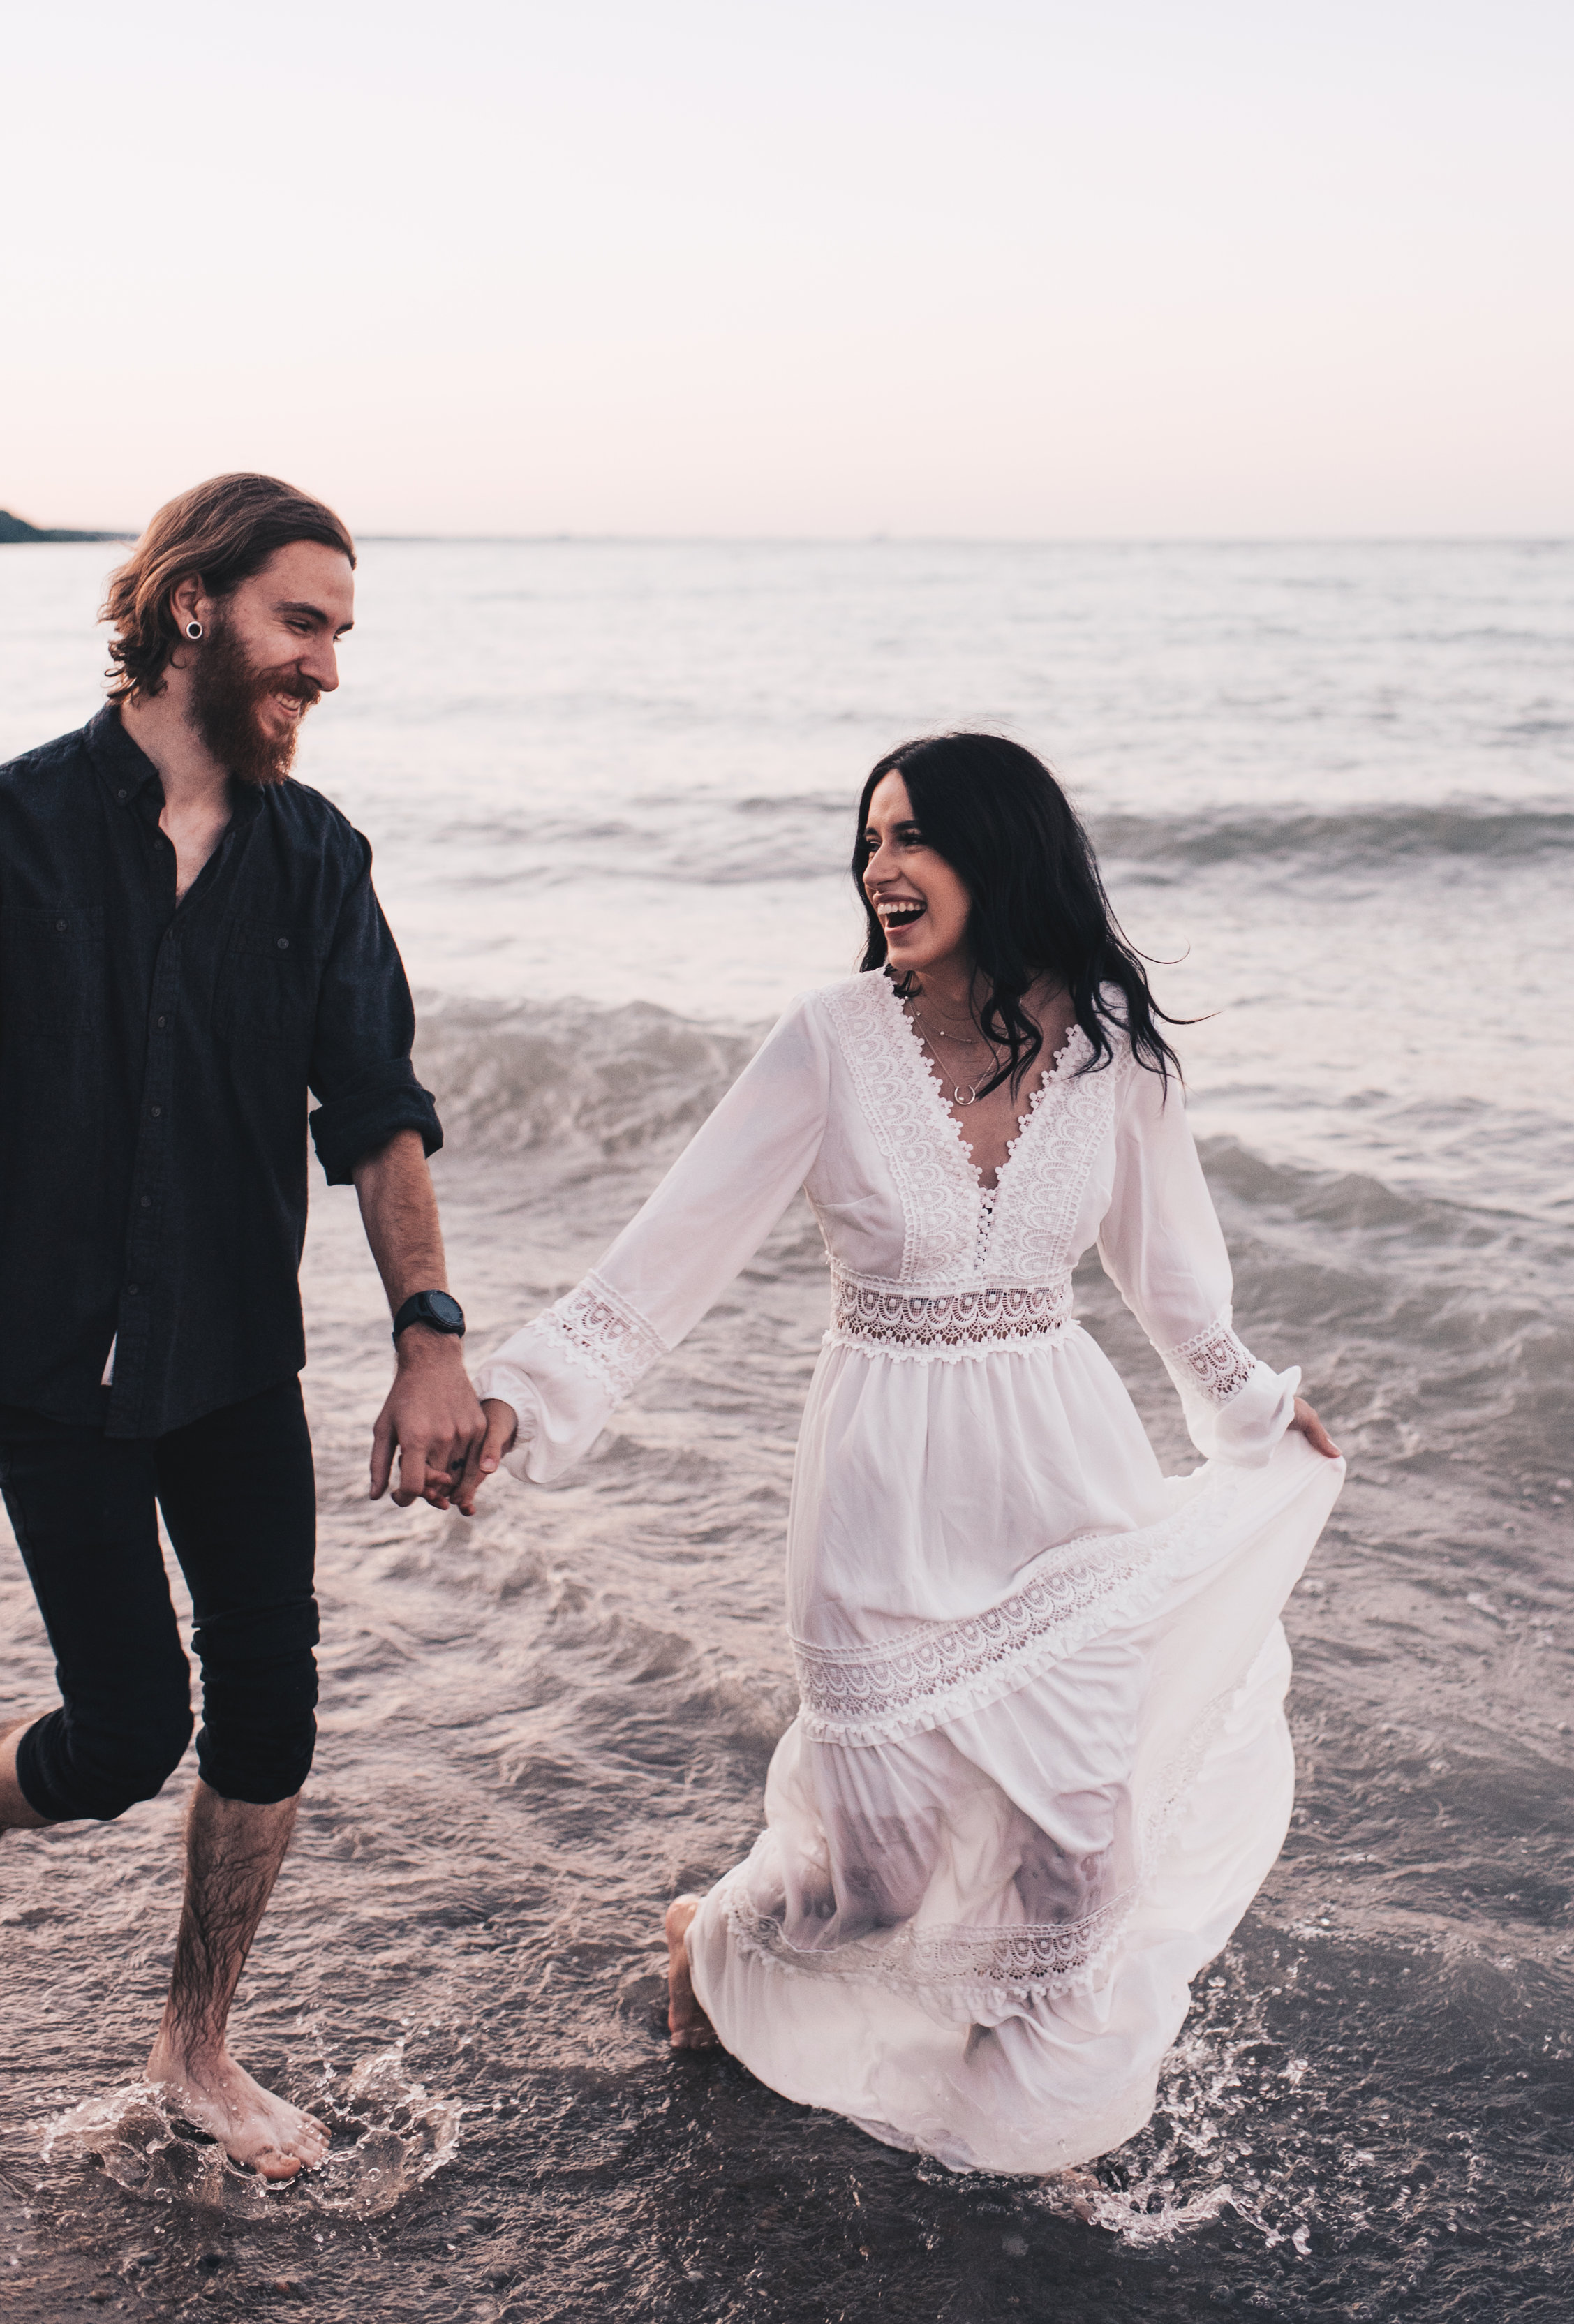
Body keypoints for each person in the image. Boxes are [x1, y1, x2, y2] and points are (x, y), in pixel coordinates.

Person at [467, 732, 1344, 2176]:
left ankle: (1030, 2135)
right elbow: (671, 1253)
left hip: (1063, 1478)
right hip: (881, 1482)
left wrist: (1249, 1409)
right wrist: (526, 1399)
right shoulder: (829, 1038)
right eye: (869, 839)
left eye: (913, 838)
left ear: (1000, 856)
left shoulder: (1111, 1047)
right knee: (872, 1882)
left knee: (1076, 1865)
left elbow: (1174, 1281)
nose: (879, 867)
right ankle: (719, 1940)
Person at [0, 473, 489, 2179]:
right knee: (125, 1736)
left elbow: (375, 1107)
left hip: (227, 1362)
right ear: (194, 604)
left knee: (271, 1707)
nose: (329, 669)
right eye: (305, 624)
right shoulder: (20, 827)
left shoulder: (319, 858)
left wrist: (430, 1335)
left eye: (344, 635)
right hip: (44, 1369)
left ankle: (197, 2046)